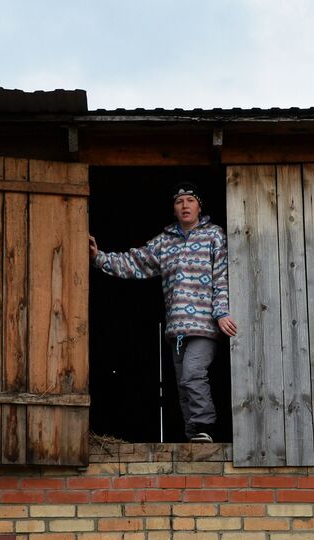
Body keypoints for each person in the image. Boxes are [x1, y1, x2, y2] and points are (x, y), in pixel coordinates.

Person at [89, 182, 237, 443]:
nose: (185, 205)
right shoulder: (164, 242)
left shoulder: (214, 235)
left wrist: (222, 312)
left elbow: (222, 276)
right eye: (179, 202)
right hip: (176, 327)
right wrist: (98, 257)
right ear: (174, 209)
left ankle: (206, 426)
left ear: (199, 206)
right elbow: (134, 261)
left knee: (193, 373)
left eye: (190, 200)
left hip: (204, 325)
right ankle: (196, 437)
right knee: (183, 383)